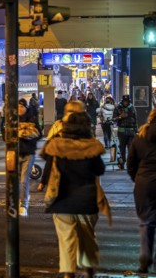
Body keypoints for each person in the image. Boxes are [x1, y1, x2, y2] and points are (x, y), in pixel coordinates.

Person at [40, 110, 106, 278]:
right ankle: (89, 271)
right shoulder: (91, 145)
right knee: (87, 239)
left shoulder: (57, 144)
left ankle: (68, 274)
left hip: (62, 202)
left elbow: (48, 164)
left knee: (66, 242)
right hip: (86, 201)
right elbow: (100, 169)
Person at [128, 109, 156, 274]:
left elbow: (131, 163)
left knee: (146, 221)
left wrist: (137, 178)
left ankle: (145, 260)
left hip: (145, 183)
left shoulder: (141, 136)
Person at [18, 98, 41, 217]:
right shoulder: (12, 118)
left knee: (23, 180)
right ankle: (20, 199)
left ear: (26, 108)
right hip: (15, 154)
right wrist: (25, 131)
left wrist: (20, 132)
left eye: (22, 107)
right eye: (18, 107)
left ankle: (23, 205)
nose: (20, 109)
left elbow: (37, 133)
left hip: (28, 153)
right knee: (16, 181)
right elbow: (5, 134)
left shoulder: (32, 118)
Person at [113, 94, 138, 169]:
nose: (125, 103)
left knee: (131, 148)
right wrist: (120, 116)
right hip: (122, 131)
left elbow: (135, 119)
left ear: (129, 101)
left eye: (126, 101)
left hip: (131, 131)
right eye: (124, 101)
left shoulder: (132, 107)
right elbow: (113, 119)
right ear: (122, 101)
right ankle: (122, 163)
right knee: (122, 148)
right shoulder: (118, 107)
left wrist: (136, 130)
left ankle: (130, 164)